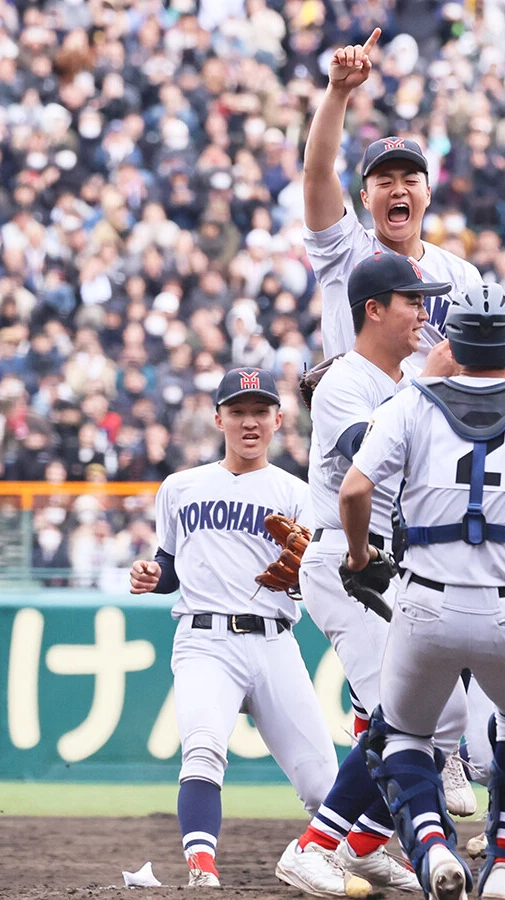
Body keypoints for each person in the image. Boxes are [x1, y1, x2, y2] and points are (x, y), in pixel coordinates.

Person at [338, 285, 505, 900]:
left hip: (425, 599)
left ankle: (429, 845)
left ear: (451, 343)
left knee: (399, 735)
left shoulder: (409, 403)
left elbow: (353, 492)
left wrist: (356, 555)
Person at [274, 251, 463, 898]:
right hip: (347, 559)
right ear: (374, 309)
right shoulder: (345, 383)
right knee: (402, 715)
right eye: (413, 300)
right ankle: (315, 846)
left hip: (391, 563)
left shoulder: (401, 379)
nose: (424, 312)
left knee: (450, 714)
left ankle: (361, 844)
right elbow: (367, 456)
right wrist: (427, 388)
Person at [128, 367, 338, 888]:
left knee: (323, 782)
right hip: (204, 642)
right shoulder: (180, 487)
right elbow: (170, 565)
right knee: (202, 747)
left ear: (279, 420)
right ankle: (202, 868)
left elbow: (312, 582)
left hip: (274, 642)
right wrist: (153, 575)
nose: (250, 422)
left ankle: (348, 855)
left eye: (260, 412)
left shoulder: (298, 493)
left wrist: (303, 575)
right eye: (238, 412)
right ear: (218, 418)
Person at [302, 27, 482, 375]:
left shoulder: (462, 277)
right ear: (366, 199)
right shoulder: (344, 250)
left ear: (427, 194)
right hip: (354, 421)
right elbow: (317, 171)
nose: (398, 190)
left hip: (429, 427)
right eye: (384, 182)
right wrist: (339, 91)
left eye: (410, 180)